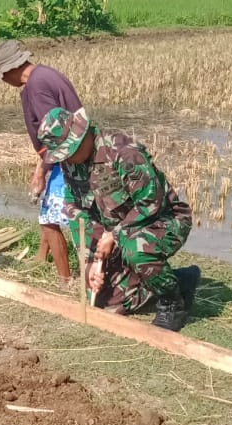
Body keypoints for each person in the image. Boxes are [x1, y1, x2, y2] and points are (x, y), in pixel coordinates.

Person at [37, 107, 199, 331]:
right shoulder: (71, 163)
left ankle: (172, 303)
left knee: (136, 249)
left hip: (161, 221)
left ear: (82, 135)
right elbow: (75, 209)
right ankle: (179, 281)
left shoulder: (124, 153)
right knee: (107, 304)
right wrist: (92, 262)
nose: (67, 158)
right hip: (115, 232)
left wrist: (113, 234)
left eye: (69, 151)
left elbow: (151, 202)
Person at [0, 40, 77, 286]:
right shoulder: (45, 74)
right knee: (47, 208)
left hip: (66, 157)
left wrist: (42, 171)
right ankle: (40, 256)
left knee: (49, 219)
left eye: (3, 76)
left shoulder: (36, 86)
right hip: (66, 154)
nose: (4, 82)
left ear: (11, 69)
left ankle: (64, 280)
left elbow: (54, 132)